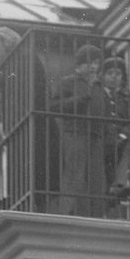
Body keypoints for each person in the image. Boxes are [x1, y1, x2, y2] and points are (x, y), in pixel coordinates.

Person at [0, 26, 57, 213]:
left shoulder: (27, 61)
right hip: (7, 127)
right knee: (10, 170)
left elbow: (40, 93)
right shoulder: (0, 69)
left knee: (24, 168)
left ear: (6, 42)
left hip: (25, 125)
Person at [51, 45, 107, 218]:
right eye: (89, 63)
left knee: (96, 180)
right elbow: (53, 106)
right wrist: (76, 101)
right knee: (74, 177)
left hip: (96, 136)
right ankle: (68, 214)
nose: (93, 67)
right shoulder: (68, 82)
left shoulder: (100, 87)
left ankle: (95, 216)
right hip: (74, 133)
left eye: (96, 63)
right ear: (80, 64)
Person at [101, 57, 130, 220]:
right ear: (103, 75)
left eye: (118, 73)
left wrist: (124, 134)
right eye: (110, 73)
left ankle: (119, 185)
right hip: (104, 140)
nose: (114, 77)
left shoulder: (128, 97)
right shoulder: (98, 93)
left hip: (122, 141)